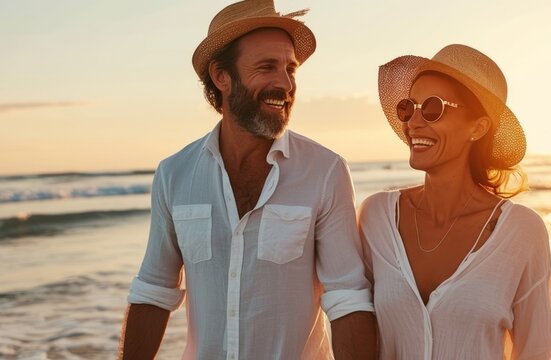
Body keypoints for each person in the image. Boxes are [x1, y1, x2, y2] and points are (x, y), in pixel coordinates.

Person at [118, 1, 377, 359]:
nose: (285, 84)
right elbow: (153, 291)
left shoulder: (325, 171)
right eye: (267, 67)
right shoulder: (174, 173)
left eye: (291, 69)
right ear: (222, 77)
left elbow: (348, 298)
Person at [358, 44, 551, 359]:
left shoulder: (522, 232)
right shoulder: (375, 216)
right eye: (409, 107)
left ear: (478, 127)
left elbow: (540, 351)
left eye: (432, 108)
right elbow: (349, 316)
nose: (414, 122)